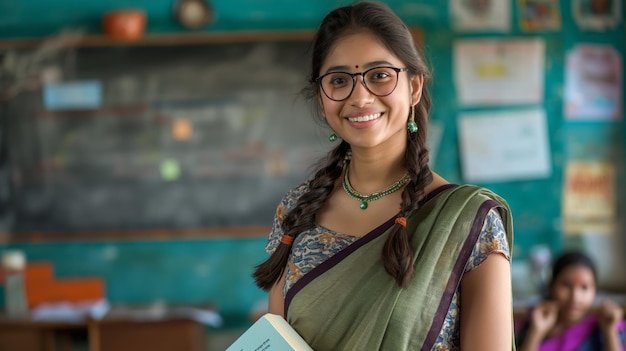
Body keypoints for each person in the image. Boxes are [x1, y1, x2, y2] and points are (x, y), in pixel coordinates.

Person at [253, 2, 515, 350]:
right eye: (339, 80)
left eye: (379, 75)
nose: (360, 97)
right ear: (322, 98)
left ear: (415, 87)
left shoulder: (468, 221)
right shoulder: (296, 212)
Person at [516, 251, 626, 351]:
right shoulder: (534, 322)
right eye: (566, 285)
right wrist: (536, 332)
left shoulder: (602, 327)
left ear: (595, 290)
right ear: (551, 286)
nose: (575, 297)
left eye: (584, 287)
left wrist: (610, 331)